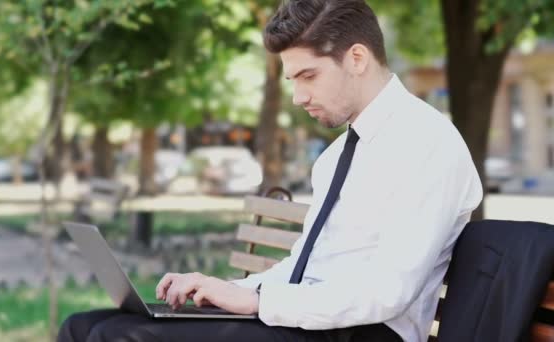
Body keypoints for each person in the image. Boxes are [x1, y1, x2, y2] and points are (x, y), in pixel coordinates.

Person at [58, 0, 483, 341]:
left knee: (119, 336)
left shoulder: (428, 144)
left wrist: (258, 302)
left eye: (308, 76)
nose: (298, 97)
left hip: (364, 331)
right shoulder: (337, 157)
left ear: (357, 58)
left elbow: (386, 295)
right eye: (292, 81)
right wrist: (225, 289)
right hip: (304, 319)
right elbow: (304, 266)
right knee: (84, 326)